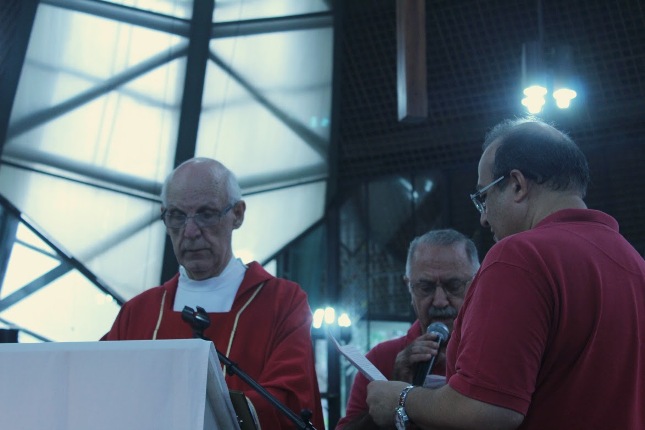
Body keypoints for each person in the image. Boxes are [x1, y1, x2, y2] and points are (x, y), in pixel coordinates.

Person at [365, 117, 645, 430]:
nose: (483, 218)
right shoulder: (634, 263)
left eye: (483, 197)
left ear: (517, 184)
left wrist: (402, 398)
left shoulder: (520, 255)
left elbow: (486, 408)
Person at [102, 157, 325, 430]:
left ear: (237, 215)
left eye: (206, 214)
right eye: (177, 216)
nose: (190, 232)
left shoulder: (282, 303)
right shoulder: (138, 312)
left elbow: (289, 401)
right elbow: (99, 392)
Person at [336, 229, 480, 429]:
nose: (439, 301)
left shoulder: (496, 354)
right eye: (425, 287)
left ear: (477, 283)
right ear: (409, 287)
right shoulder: (381, 359)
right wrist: (393, 389)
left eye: (454, 285)